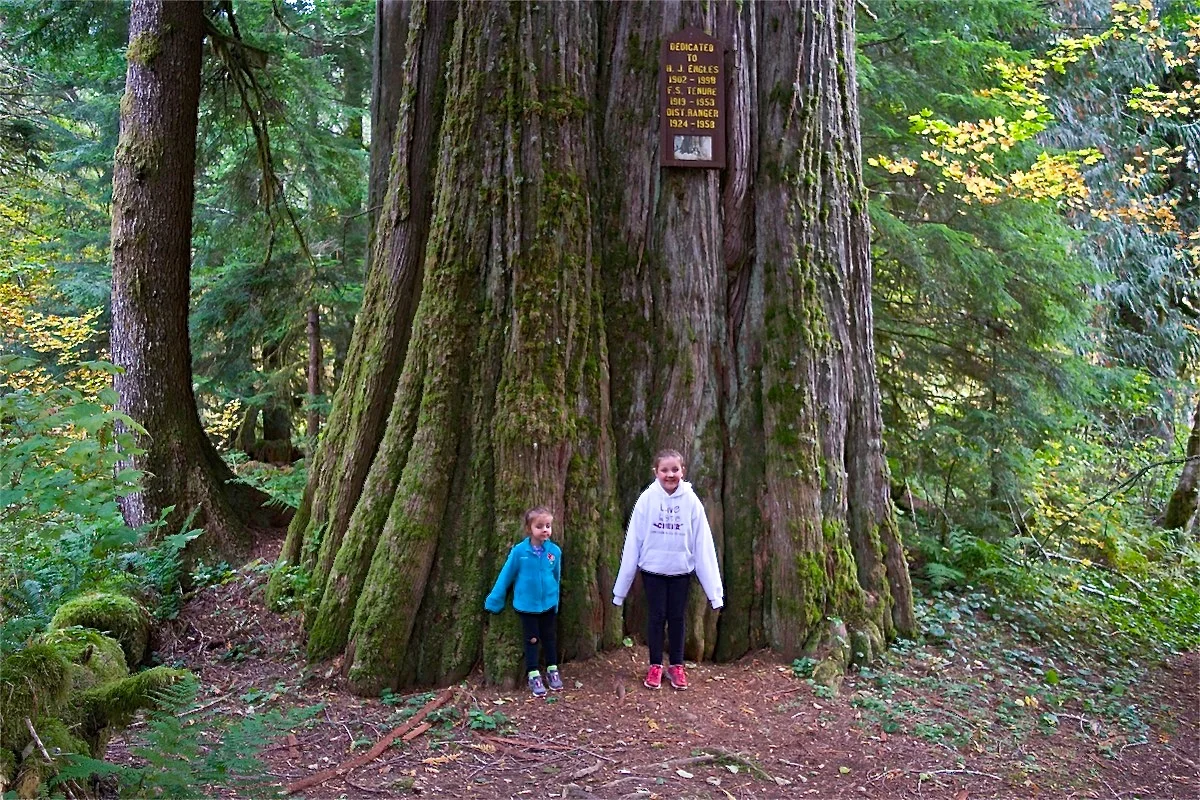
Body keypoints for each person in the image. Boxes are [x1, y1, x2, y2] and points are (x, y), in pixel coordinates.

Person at [612, 449, 723, 691]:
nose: (670, 474)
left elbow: (703, 545)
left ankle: (676, 665)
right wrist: (620, 591)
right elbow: (633, 542)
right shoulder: (647, 499)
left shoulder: (691, 502)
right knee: (655, 617)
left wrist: (715, 593)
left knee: (676, 618)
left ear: (683, 471)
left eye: (675, 469)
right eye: (665, 470)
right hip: (652, 570)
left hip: (680, 572)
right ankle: (655, 665)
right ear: (656, 472)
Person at [484, 506, 564, 697]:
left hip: (548, 605)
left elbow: (557, 576)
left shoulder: (554, 552)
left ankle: (552, 669)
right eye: (539, 526)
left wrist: (556, 602)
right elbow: (506, 575)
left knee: (550, 638)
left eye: (548, 526)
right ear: (529, 529)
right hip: (527, 606)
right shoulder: (519, 552)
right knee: (532, 640)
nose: (545, 530)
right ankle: (533, 673)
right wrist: (495, 599)